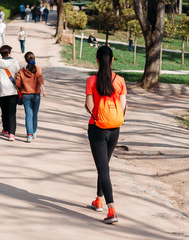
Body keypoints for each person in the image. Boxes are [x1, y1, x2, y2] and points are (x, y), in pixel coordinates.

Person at [85, 46, 127, 224]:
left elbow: (88, 106)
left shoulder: (91, 81)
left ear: (97, 59)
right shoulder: (120, 80)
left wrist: (99, 116)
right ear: (112, 59)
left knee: (103, 168)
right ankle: (98, 200)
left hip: (97, 128)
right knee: (104, 166)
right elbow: (124, 106)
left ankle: (112, 210)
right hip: (115, 129)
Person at [0, 45, 21, 141]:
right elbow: (19, 75)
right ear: (9, 53)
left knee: (4, 111)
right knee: (12, 112)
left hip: (1, 91)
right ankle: (12, 134)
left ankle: (5, 129)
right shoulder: (15, 63)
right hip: (13, 91)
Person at [16, 52, 47, 143]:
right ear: (34, 58)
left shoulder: (21, 71)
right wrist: (43, 90)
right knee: (35, 114)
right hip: (36, 95)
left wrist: (22, 87)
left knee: (28, 115)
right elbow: (40, 80)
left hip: (26, 95)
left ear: (26, 60)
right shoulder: (38, 69)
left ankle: (29, 135)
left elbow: (18, 84)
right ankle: (34, 132)